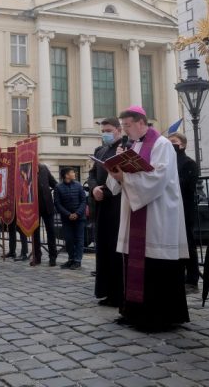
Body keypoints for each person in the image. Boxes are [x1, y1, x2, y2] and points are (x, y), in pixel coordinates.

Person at [105, 106, 190, 331]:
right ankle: (133, 311)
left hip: (157, 215)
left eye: (127, 126)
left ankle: (157, 316)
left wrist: (126, 177)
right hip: (136, 214)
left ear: (141, 123)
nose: (125, 131)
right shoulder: (133, 145)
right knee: (133, 264)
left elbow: (159, 178)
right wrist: (115, 170)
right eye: (123, 126)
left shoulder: (162, 145)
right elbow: (117, 183)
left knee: (155, 266)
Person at [88, 118, 124, 305]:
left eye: (108, 130)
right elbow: (92, 174)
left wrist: (106, 191)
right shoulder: (100, 151)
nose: (105, 133)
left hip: (117, 204)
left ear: (118, 130)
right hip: (101, 203)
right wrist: (94, 189)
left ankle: (119, 293)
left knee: (115, 248)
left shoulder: (125, 148)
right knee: (103, 248)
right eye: (102, 130)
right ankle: (107, 291)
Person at [168, 132, 201, 292]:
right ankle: (178, 276)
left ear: (183, 144)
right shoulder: (167, 161)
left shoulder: (189, 163)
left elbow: (187, 185)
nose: (171, 145)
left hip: (185, 208)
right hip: (170, 208)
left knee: (188, 242)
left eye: (174, 142)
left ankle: (192, 279)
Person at [54, 167, 87, 270]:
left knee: (79, 239)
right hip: (66, 218)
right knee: (68, 239)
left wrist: (77, 213)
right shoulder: (58, 187)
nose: (74, 173)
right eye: (72, 172)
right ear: (66, 175)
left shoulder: (78, 185)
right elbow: (57, 204)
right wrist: (68, 214)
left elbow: (83, 201)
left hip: (79, 218)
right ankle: (71, 259)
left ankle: (77, 261)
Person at [31, 163, 58, 267]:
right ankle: (37, 256)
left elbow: (54, 183)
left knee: (51, 231)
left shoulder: (43, 168)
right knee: (35, 233)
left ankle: (52, 257)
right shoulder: (25, 168)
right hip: (33, 208)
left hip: (47, 206)